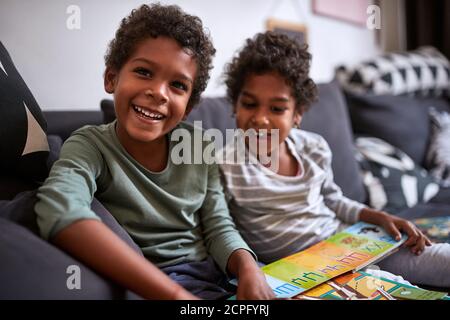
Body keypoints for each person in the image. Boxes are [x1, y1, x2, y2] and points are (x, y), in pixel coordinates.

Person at [34, 4, 273, 300]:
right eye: (144, 72)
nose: (159, 92)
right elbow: (60, 211)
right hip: (156, 283)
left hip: (217, 275)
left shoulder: (200, 146)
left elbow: (218, 224)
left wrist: (248, 267)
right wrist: (175, 295)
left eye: (177, 85)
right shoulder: (89, 146)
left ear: (188, 106)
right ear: (111, 78)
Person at [219, 31, 450, 287]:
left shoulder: (313, 147)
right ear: (234, 104)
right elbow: (223, 228)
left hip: (346, 243)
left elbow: (334, 200)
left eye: (277, 109)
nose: (261, 119)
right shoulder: (226, 165)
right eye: (250, 104)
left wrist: (381, 217)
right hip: (302, 270)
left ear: (297, 114)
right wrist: (253, 269)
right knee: (382, 287)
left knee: (437, 260)